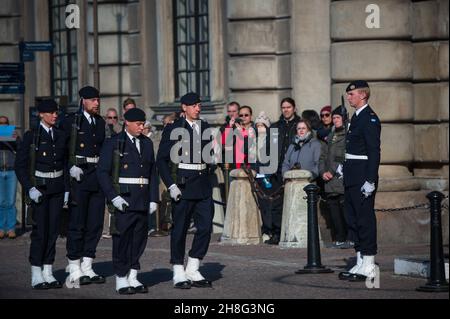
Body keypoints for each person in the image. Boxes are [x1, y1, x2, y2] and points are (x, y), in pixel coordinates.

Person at [97, 108, 159, 295]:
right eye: (138, 124)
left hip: (142, 198)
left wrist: (154, 198)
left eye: (143, 124)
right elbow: (102, 172)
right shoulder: (114, 143)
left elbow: (152, 173)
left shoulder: (147, 143)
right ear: (127, 123)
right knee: (122, 240)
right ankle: (121, 277)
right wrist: (113, 197)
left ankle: (133, 275)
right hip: (124, 198)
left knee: (139, 240)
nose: (142, 127)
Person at [157, 92, 214, 289]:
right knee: (179, 230)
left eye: (199, 105)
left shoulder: (205, 127)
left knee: (206, 227)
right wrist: (171, 185)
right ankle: (178, 270)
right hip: (183, 186)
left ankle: (193, 266)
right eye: (194, 105)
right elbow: (162, 160)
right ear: (184, 108)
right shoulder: (174, 128)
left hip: (203, 185)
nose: (198, 108)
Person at [15, 99, 69, 289]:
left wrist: (66, 189)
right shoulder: (32, 136)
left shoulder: (60, 135)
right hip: (39, 189)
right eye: (51, 112)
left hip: (56, 188)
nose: (55, 115)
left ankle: (48, 270)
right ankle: (36, 272)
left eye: (56, 112)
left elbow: (64, 163)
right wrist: (30, 187)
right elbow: (20, 166)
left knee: (53, 230)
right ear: (41, 114)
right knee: (40, 232)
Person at [62, 86, 107, 286]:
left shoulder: (100, 122)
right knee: (77, 223)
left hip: (96, 176)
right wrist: (69, 167)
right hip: (78, 176)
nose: (96, 103)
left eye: (97, 99)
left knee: (95, 224)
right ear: (83, 101)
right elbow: (60, 151)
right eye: (92, 100)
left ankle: (87, 264)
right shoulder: (70, 121)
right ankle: (74, 266)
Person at [338, 80, 381, 282]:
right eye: (348, 94)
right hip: (352, 173)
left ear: (363, 95)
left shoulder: (370, 119)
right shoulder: (356, 118)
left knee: (364, 219)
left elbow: (373, 151)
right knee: (353, 219)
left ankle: (370, 264)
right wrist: (343, 166)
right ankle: (360, 259)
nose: (349, 97)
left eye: (352, 94)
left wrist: (370, 179)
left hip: (363, 174)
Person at [264, 98, 301, 244]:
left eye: (288, 107)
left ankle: (294, 233)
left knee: (294, 203)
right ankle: (277, 233)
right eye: (283, 107)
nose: (286, 110)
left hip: (294, 169)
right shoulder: (275, 127)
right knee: (276, 204)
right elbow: (268, 148)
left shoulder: (300, 125)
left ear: (294, 108)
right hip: (277, 170)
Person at [319, 105, 351, 248]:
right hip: (329, 181)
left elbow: (342, 157)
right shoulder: (331, 136)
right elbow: (322, 157)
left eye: (338, 117)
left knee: (345, 211)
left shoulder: (348, 135)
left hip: (340, 179)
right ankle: (340, 237)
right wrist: (322, 172)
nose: (335, 120)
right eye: (334, 118)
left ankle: (350, 237)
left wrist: (331, 171)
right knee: (334, 212)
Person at [0, 116, 18, 239]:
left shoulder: (13, 136)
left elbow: (21, 149)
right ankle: (2, 228)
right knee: (1, 201)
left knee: (11, 201)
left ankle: (11, 228)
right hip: (0, 170)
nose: (3, 125)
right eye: (1, 123)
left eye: (5, 123)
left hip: (11, 171)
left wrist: (16, 138)